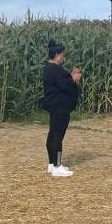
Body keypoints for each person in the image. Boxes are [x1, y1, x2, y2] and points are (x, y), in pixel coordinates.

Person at [42, 40, 82, 177]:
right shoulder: (56, 71)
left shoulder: (48, 69)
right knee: (58, 137)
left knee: (52, 134)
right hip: (60, 107)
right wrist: (74, 79)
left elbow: (62, 83)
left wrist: (70, 78)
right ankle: (58, 166)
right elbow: (66, 86)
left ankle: (51, 164)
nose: (64, 58)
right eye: (63, 55)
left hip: (53, 106)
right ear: (57, 55)